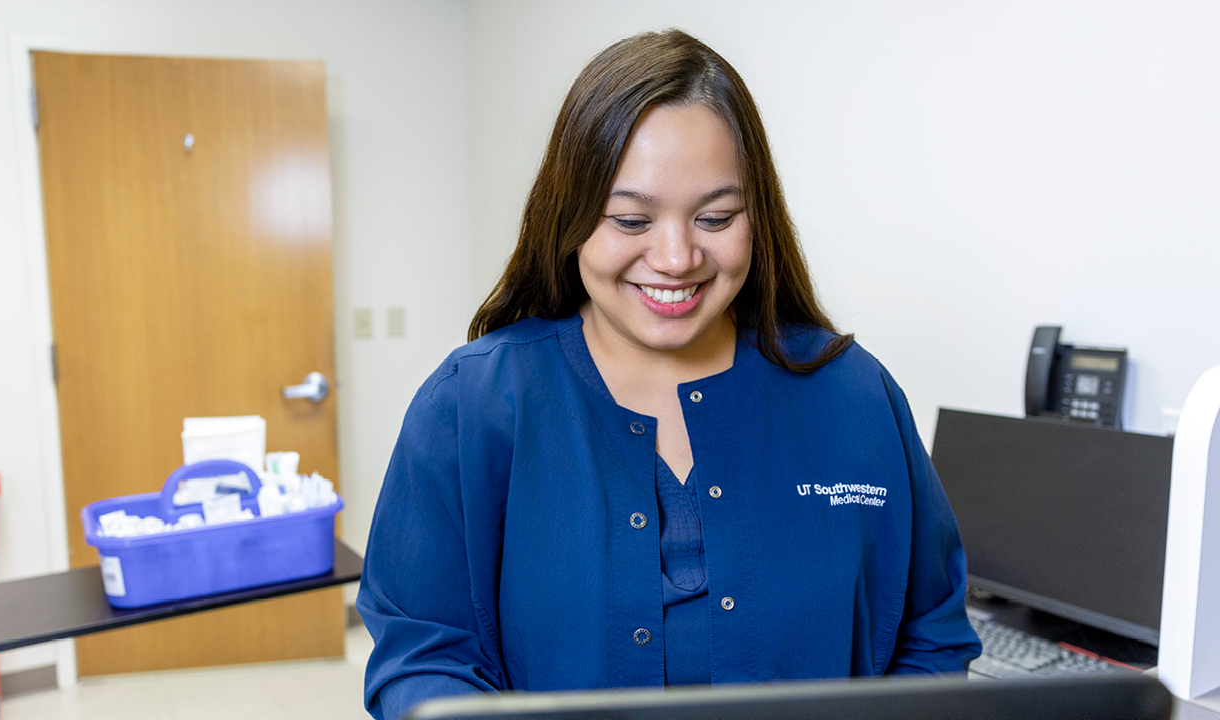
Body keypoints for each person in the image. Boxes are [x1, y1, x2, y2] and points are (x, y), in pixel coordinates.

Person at [356, 29, 981, 720]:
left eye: (715, 217)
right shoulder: (473, 405)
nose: (677, 257)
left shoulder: (855, 395)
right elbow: (422, 655)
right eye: (631, 220)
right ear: (570, 218)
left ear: (758, 216)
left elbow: (932, 634)